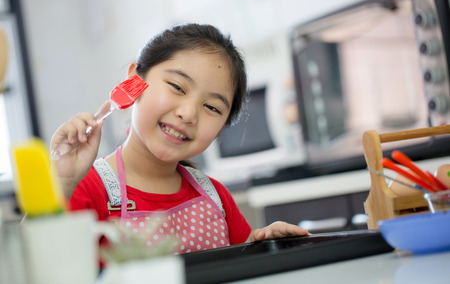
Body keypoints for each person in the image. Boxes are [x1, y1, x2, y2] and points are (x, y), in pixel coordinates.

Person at [51, 23, 309, 256]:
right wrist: (62, 184)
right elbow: (46, 269)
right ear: (134, 81)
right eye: (177, 87)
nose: (188, 114)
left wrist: (265, 245)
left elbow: (239, 265)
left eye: (212, 108)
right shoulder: (83, 189)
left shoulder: (217, 198)